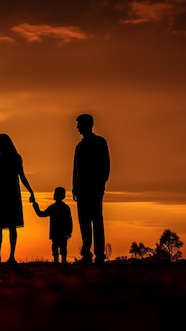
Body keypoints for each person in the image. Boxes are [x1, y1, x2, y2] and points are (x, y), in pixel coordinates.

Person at [0, 133, 36, 264]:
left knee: (11, 225)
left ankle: (11, 256)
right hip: (3, 193)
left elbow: (21, 176)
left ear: (3, 144)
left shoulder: (15, 158)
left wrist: (31, 191)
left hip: (10, 193)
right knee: (1, 225)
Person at [72, 113, 111, 264]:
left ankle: (99, 254)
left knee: (96, 219)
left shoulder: (100, 142)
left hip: (94, 187)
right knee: (84, 221)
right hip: (82, 189)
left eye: (79, 124)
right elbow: (75, 170)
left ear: (87, 125)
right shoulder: (79, 146)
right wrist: (74, 187)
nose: (77, 127)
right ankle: (87, 253)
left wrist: (101, 183)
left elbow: (105, 165)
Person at [32, 187, 73, 264]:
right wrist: (35, 206)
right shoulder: (62, 207)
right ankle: (58, 261)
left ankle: (59, 261)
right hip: (58, 232)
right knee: (58, 246)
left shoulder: (59, 207)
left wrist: (69, 231)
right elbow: (41, 214)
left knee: (59, 246)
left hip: (60, 232)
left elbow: (41, 214)